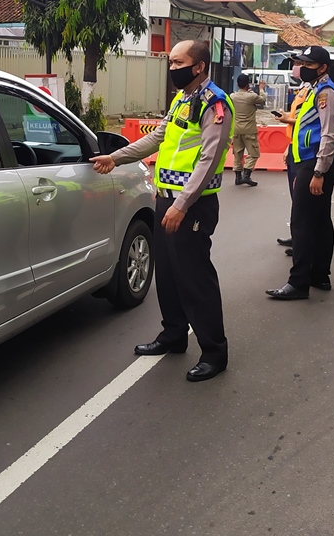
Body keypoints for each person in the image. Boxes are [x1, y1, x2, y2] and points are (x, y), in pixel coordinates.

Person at [90, 40, 234, 382]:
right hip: (167, 199)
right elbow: (157, 138)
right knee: (167, 275)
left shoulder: (215, 103)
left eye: (178, 62)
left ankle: (214, 352)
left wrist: (182, 205)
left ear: (198, 66)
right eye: (170, 62)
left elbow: (209, 160)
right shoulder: (183, 99)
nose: (172, 68)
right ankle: (173, 335)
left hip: (192, 205)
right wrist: (117, 156)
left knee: (194, 279)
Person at [266, 46, 334, 300]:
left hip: (315, 163)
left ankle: (298, 283)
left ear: (322, 68)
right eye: (301, 62)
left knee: (301, 223)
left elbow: (329, 135)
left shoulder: (326, 94)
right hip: (309, 160)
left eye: (308, 64)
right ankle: (319, 276)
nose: (302, 67)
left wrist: (319, 172)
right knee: (320, 220)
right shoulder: (313, 90)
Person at [275, 53, 314, 254]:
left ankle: (304, 243)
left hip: (307, 153)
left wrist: (287, 120)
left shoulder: (315, 91)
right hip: (295, 147)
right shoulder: (303, 89)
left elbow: (309, 122)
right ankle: (297, 237)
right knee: (295, 197)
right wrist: (289, 146)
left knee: (302, 200)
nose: (297, 67)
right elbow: (298, 118)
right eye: (297, 63)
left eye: (301, 63)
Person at [230, 73, 265, 186]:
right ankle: (247, 174)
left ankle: (238, 177)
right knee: (254, 153)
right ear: (248, 84)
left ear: (237, 84)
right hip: (249, 130)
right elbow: (263, 100)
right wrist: (261, 89)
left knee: (237, 153)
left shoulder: (232, 96)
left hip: (236, 130)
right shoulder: (251, 96)